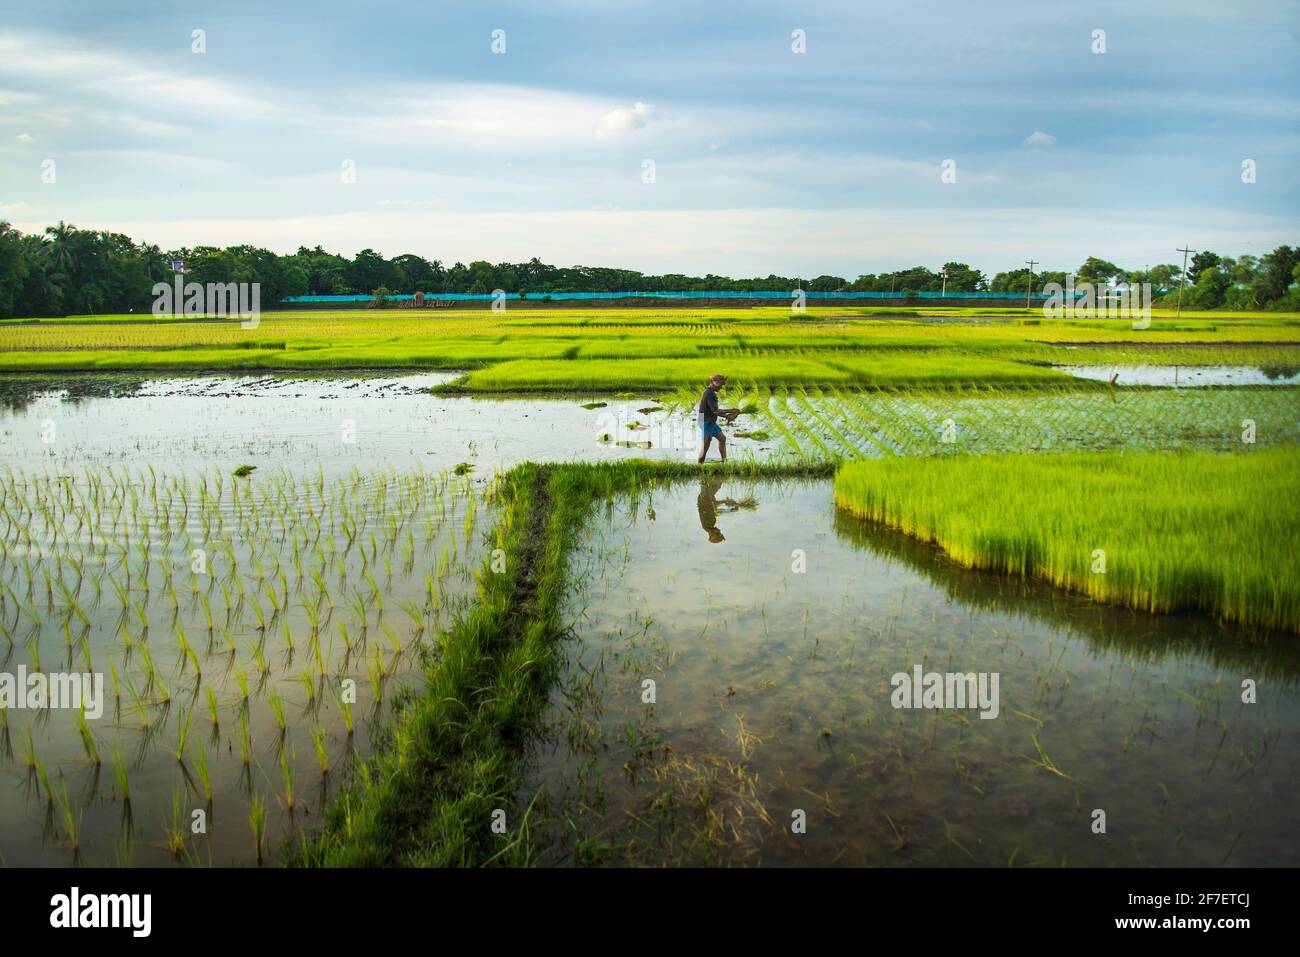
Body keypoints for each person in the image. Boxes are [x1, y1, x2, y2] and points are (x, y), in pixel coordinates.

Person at [697, 373, 739, 463]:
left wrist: (726, 416)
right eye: (720, 385)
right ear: (714, 382)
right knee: (705, 446)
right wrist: (730, 410)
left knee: (722, 439)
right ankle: (699, 466)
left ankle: (724, 461)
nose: (721, 387)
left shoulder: (710, 392)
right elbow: (715, 411)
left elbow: (713, 411)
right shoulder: (709, 394)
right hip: (706, 421)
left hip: (708, 420)